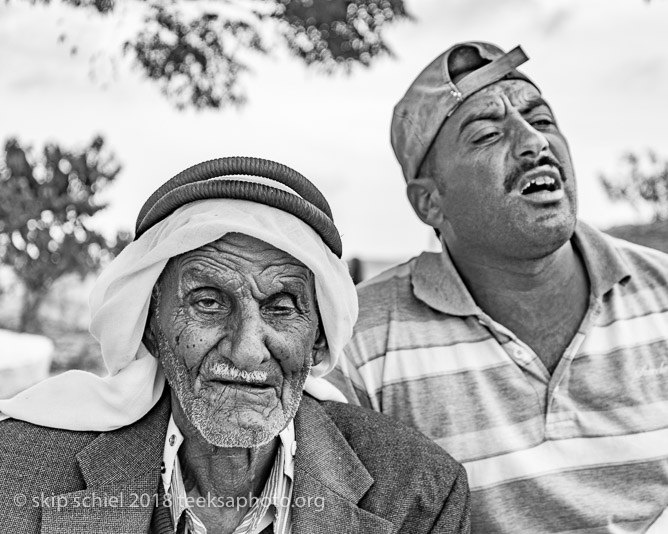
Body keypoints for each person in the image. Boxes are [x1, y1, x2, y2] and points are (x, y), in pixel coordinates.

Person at [328, 42, 668, 532]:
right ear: (430, 203)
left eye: (543, 120)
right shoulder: (359, 346)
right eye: (487, 133)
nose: (534, 142)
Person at [0, 157, 470, 534]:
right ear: (150, 326)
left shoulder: (417, 493)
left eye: (282, 307)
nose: (248, 351)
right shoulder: (17, 472)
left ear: (319, 339)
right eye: (208, 302)